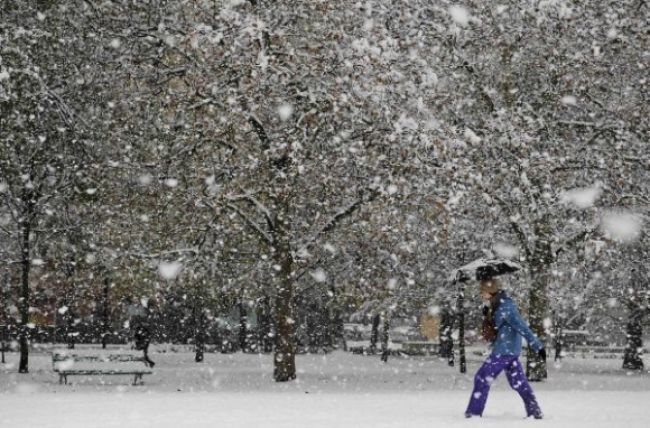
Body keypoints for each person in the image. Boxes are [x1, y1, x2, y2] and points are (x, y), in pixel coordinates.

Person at [465, 278, 546, 419]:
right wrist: (488, 315)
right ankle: (534, 411)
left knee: (482, 378)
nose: (481, 294)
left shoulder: (506, 307)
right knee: (518, 383)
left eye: (482, 291)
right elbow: (496, 328)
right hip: (508, 350)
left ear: (491, 291)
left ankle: (474, 413)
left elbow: (522, 326)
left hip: (503, 351)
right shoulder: (497, 305)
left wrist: (537, 346)